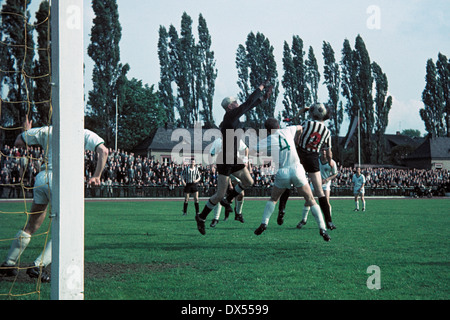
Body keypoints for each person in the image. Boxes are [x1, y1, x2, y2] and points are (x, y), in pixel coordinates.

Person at [0, 116, 108, 282]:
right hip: (62, 180)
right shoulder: (82, 133)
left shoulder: (46, 130)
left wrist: (26, 132)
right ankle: (38, 266)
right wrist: (96, 175)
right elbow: (104, 151)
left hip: (42, 178)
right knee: (67, 227)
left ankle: (9, 262)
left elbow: (18, 143)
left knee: (32, 224)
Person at [195, 82, 273, 235]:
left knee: (249, 182)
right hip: (225, 159)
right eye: (235, 102)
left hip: (233, 157)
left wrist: (263, 98)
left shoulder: (231, 115)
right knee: (218, 195)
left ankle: (228, 199)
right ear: (229, 107)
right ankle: (202, 217)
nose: (237, 103)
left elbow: (248, 106)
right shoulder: (230, 115)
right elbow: (247, 103)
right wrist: (260, 88)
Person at [253, 118, 330, 241]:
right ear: (278, 125)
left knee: (273, 199)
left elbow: (254, 149)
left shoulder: (268, 139)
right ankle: (323, 228)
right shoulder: (288, 130)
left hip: (283, 172)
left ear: (267, 130)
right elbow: (300, 127)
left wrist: (267, 151)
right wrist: (297, 138)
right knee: (311, 200)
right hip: (297, 169)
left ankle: (264, 223)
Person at [277, 103, 336, 230]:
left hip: (300, 155)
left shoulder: (306, 123)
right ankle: (329, 221)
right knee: (319, 191)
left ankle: (282, 208)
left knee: (288, 182)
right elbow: (329, 151)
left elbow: (297, 138)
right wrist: (330, 161)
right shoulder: (327, 131)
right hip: (313, 158)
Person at [209, 136, 249, 227]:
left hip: (235, 169)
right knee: (220, 194)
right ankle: (216, 218)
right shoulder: (218, 141)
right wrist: (212, 165)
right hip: (223, 169)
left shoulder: (236, 139)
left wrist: (245, 161)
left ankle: (238, 213)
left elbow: (246, 149)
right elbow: (211, 153)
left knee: (241, 194)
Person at [297, 148, 338, 229]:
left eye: (325, 150)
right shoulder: (316, 160)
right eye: (322, 150)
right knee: (308, 200)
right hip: (315, 183)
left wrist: (327, 179)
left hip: (325, 184)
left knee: (326, 202)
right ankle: (303, 220)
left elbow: (335, 174)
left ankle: (328, 221)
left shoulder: (332, 162)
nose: (324, 152)